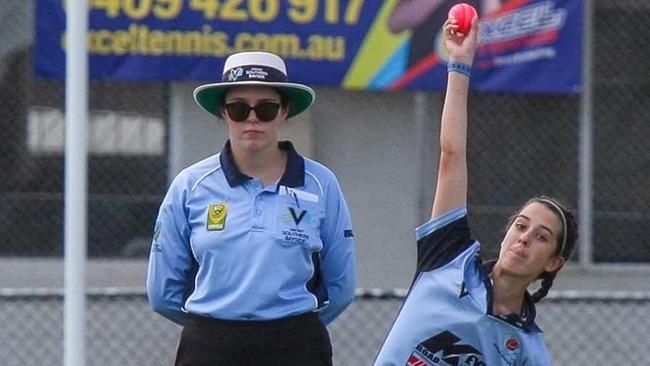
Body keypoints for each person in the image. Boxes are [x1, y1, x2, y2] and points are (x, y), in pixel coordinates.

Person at [373, 17, 577, 365]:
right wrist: (460, 64)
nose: (524, 238)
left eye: (542, 237)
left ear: (554, 262)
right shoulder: (449, 259)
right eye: (521, 225)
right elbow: (451, 155)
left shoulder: (528, 351)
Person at [146, 51, 356, 366]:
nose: (252, 119)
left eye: (267, 108)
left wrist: (289, 330)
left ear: (285, 111)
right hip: (209, 346)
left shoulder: (320, 183)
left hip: (297, 346)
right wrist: (216, 329)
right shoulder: (190, 185)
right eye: (239, 108)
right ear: (223, 112)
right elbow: (163, 293)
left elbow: (341, 287)